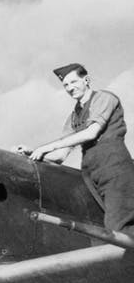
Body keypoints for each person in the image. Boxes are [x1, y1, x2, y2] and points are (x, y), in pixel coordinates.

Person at [20, 63, 134, 232]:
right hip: (91, 176)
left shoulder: (104, 98)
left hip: (115, 170)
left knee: (119, 228)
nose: (70, 88)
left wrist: (46, 147)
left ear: (86, 80)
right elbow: (60, 156)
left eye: (73, 82)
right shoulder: (73, 117)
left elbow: (91, 132)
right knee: (104, 228)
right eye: (66, 85)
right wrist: (33, 152)